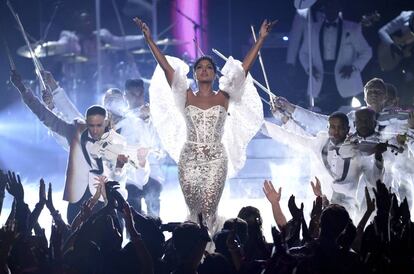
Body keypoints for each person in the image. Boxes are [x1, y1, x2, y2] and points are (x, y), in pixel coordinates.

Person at [134, 18, 270, 228]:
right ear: (195, 74)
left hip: (216, 159)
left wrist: (260, 39)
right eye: (200, 67)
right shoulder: (186, 95)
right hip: (189, 159)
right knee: (194, 211)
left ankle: (209, 252)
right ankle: (194, 253)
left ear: (215, 74)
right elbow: (167, 69)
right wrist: (150, 40)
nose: (204, 70)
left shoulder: (224, 96)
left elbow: (243, 69)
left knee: (208, 210)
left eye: (208, 67)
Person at [10, 70, 130, 224]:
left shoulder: (118, 142)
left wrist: (119, 167)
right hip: (78, 203)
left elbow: (119, 178)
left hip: (106, 205)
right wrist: (23, 90)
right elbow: (46, 116)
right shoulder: (78, 130)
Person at [263, 111, 384, 217]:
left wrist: (378, 158)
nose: (336, 131)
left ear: (348, 129)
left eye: (340, 127)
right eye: (333, 127)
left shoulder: (359, 152)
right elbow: (295, 138)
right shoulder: (319, 143)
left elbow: (374, 181)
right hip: (320, 204)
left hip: (347, 210)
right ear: (328, 127)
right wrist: (263, 126)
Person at [299, 0, 372, 113]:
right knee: (319, 116)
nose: (331, 9)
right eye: (328, 6)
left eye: (333, 6)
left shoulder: (352, 28)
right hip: (320, 82)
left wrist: (353, 67)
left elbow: (366, 51)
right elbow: (303, 53)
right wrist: (309, 68)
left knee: (350, 115)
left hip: (346, 82)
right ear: (324, 9)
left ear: (339, 8)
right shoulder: (312, 29)